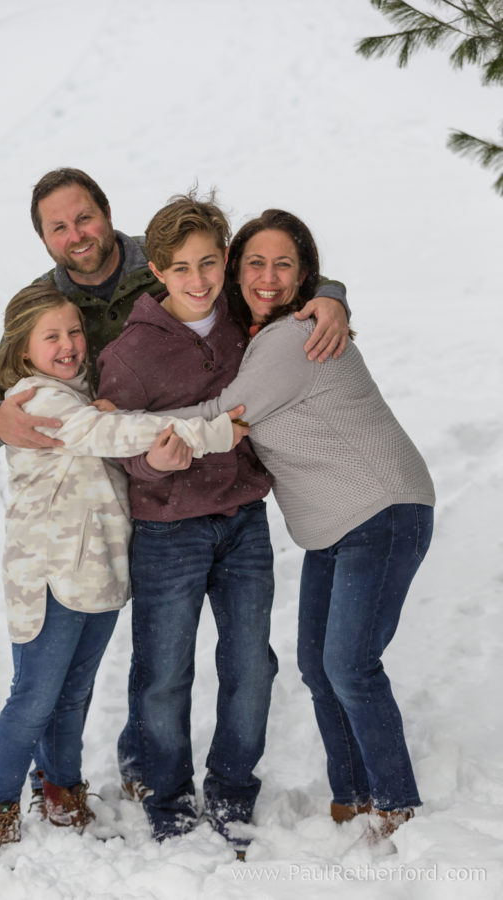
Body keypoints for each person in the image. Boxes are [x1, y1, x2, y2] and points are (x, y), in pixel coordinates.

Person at [155, 209, 435, 844]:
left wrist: (126, 421)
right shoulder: (263, 330)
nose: (268, 276)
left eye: (284, 264)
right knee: (318, 661)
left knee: (350, 664)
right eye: (254, 262)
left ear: (305, 273)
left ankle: (396, 804)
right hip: (339, 523)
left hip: (381, 509)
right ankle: (352, 796)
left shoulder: (292, 337)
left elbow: (223, 414)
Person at [0, 281, 246, 858]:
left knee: (73, 697)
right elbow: (110, 433)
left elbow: (108, 432)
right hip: (50, 576)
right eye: (52, 336)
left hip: (96, 575)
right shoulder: (37, 400)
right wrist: (211, 432)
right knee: (33, 699)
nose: (69, 344)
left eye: (75, 331)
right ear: (24, 350)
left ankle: (61, 790)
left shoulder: (81, 396)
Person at [95, 194, 282, 852]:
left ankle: (232, 786)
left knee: (250, 663)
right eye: (181, 269)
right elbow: (113, 440)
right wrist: (150, 462)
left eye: (209, 263)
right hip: (168, 531)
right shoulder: (131, 355)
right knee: (165, 670)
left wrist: (332, 300)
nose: (198, 280)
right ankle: (166, 790)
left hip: (243, 520)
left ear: (225, 260)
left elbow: (303, 278)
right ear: (158, 274)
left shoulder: (243, 319)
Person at [0, 167, 351, 453]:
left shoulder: (168, 259)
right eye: (59, 227)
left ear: (106, 212)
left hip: (199, 448)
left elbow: (263, 278)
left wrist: (330, 296)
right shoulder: (43, 302)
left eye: (85, 218)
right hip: (107, 471)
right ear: (43, 238)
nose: (76, 235)